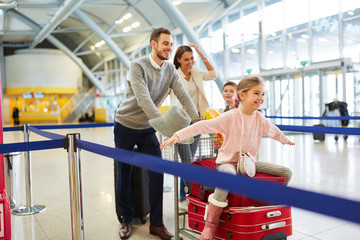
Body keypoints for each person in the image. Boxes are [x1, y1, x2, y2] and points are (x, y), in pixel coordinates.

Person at [161, 76, 295, 240]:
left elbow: (272, 130)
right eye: (256, 93)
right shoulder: (231, 116)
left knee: (285, 172)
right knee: (228, 178)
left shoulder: (259, 118)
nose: (261, 98)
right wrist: (178, 135)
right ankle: (210, 226)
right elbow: (203, 126)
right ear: (243, 95)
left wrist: (284, 140)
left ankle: (269, 207)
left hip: (248, 163)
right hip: (227, 163)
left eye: (263, 94)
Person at [113, 28, 200, 240]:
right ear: (153, 44)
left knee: (157, 173)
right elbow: (144, 101)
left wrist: (198, 121)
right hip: (126, 124)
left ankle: (157, 224)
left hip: (147, 129)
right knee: (123, 172)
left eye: (171, 44)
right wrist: (167, 130)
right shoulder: (138, 66)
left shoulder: (170, 69)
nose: (169, 47)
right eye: (165, 44)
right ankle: (126, 219)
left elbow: (183, 95)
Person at [170, 43, 217, 208]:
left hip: (196, 121)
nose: (190, 62)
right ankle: (193, 192)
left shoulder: (196, 72)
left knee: (189, 159)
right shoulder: (173, 75)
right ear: (178, 60)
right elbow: (161, 94)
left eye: (192, 58)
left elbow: (213, 74)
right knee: (187, 160)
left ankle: (184, 192)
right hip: (180, 122)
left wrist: (200, 52)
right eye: (186, 59)